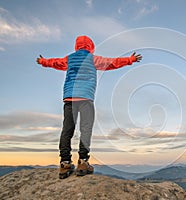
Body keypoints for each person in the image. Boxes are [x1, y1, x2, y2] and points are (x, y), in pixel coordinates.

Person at [36, 35, 142, 179]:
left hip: (69, 98)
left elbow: (55, 62)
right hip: (86, 98)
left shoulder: (70, 58)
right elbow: (112, 62)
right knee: (85, 129)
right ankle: (83, 162)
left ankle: (65, 163)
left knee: (67, 130)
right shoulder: (93, 59)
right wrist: (130, 60)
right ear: (90, 46)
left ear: (76, 46)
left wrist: (43, 61)